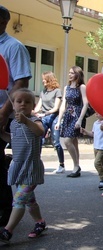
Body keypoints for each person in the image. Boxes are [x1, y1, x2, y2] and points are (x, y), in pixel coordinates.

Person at [0, 88, 47, 244]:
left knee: (19, 200)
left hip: (31, 168)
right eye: (19, 101)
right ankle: (40, 222)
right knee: (29, 201)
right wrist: (1, 133)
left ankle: (8, 231)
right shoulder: (13, 123)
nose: (22, 105)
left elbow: (40, 132)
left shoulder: (34, 120)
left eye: (27, 102)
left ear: (33, 106)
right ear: (13, 105)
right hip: (19, 167)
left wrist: (26, 121)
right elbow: (12, 140)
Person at [0, 5, 31, 227]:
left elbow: (20, 82)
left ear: (3, 21)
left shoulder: (14, 47)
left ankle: (5, 211)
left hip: (3, 112)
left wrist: (4, 112)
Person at [55, 66, 89, 178]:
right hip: (68, 116)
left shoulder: (82, 87)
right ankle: (77, 166)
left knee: (67, 141)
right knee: (73, 142)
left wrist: (80, 119)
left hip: (77, 116)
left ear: (77, 74)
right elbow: (63, 105)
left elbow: (86, 104)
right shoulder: (67, 88)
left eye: (72, 73)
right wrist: (59, 121)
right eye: (69, 73)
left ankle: (76, 166)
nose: (70, 75)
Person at [33, 71, 64, 174]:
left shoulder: (57, 91)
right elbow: (38, 106)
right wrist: (32, 112)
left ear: (49, 79)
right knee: (39, 140)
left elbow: (56, 108)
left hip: (54, 117)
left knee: (56, 143)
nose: (42, 81)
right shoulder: (43, 92)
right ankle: (37, 163)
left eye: (44, 78)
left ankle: (61, 164)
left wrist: (44, 114)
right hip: (44, 117)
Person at [80, 113, 103, 190]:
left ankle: (102, 178)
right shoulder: (95, 123)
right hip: (96, 146)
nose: (97, 114)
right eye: (96, 113)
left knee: (97, 162)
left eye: (99, 112)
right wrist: (85, 131)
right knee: (101, 163)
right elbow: (93, 134)